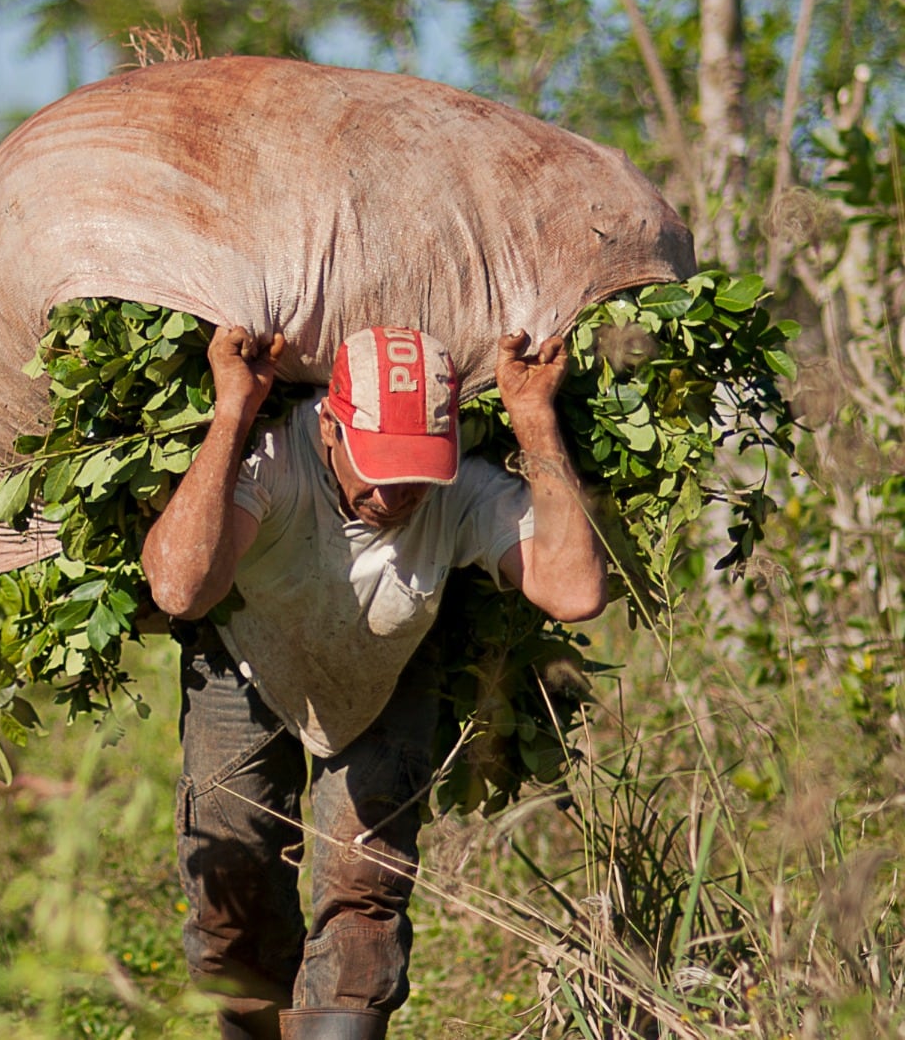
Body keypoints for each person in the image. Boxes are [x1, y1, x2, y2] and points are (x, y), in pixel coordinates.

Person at [140, 324, 608, 1040]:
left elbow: (574, 590)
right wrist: (232, 409)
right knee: (231, 890)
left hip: (384, 669)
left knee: (366, 894)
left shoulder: (457, 492)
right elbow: (179, 587)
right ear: (328, 425)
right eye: (380, 466)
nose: (397, 494)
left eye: (419, 469)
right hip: (245, 652)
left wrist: (535, 421)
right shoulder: (270, 457)